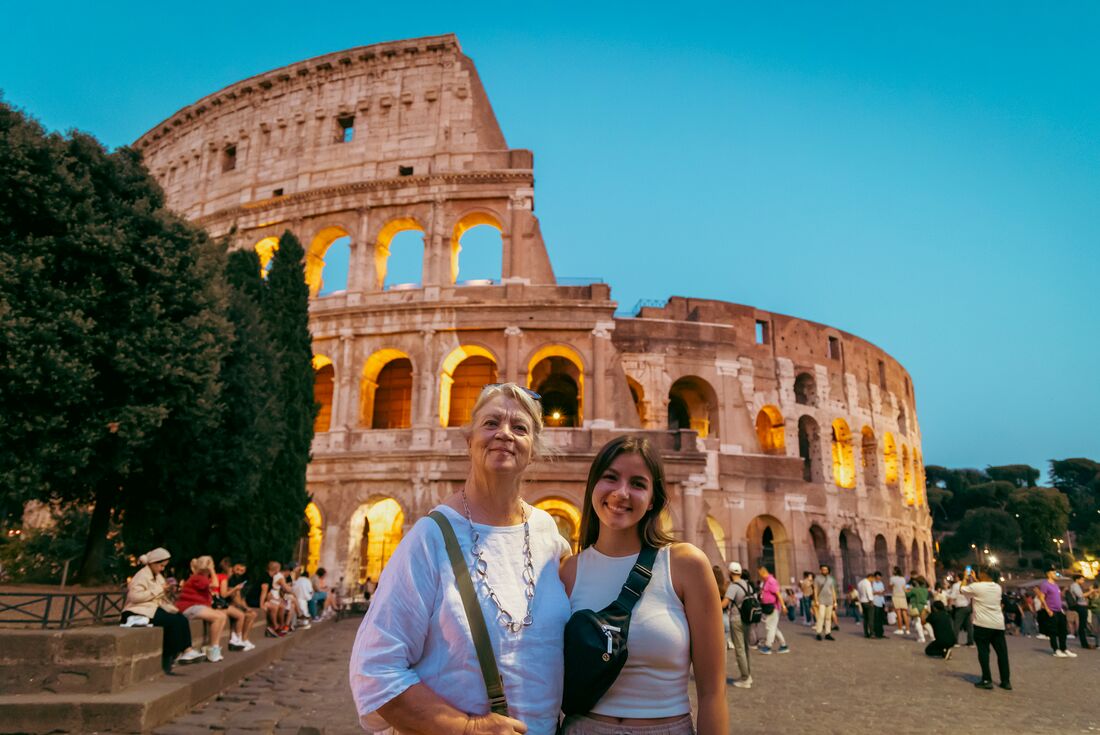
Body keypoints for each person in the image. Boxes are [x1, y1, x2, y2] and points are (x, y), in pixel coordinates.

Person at [349, 383, 571, 735]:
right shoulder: (430, 537)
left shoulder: (549, 535)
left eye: (519, 428)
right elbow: (375, 669)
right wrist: (468, 728)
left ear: (534, 450)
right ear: (469, 440)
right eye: (491, 423)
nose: (504, 434)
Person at [560, 435, 727, 734]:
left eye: (638, 483)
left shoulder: (686, 565)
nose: (621, 493)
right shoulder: (568, 571)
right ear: (593, 487)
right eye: (610, 477)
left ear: (653, 500)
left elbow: (713, 693)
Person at [122, 547, 204, 673]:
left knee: (180, 618)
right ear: (153, 563)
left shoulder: (157, 575)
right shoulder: (141, 576)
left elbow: (160, 592)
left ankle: (187, 650)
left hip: (151, 608)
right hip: (138, 610)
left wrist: (168, 590)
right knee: (172, 621)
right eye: (161, 565)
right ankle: (172, 655)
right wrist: (159, 590)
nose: (162, 569)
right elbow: (134, 597)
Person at [960, 569, 1010, 690]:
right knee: (1002, 653)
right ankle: (1006, 681)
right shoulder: (998, 587)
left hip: (982, 624)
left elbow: (962, 589)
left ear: (984, 575)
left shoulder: (977, 586)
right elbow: (982, 588)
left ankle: (987, 679)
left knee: (984, 652)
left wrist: (965, 578)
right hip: (998, 625)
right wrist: (976, 580)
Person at [176, 555, 229, 662]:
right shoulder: (198, 578)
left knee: (222, 616)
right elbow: (215, 584)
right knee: (217, 618)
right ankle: (213, 649)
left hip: (196, 606)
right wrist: (212, 570)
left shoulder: (202, 578)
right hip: (189, 607)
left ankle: (214, 647)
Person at [724, 562, 753, 689]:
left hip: (736, 620)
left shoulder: (733, 586)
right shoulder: (748, 585)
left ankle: (745, 678)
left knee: (739, 649)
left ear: (730, 573)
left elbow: (725, 603)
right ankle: (748, 674)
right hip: (748, 619)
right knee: (745, 648)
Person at [219, 559, 257, 651]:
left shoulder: (236, 579)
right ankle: (237, 638)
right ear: (232, 568)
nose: (239, 573)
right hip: (227, 604)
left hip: (233, 604)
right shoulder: (229, 579)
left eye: (242, 571)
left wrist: (246, 607)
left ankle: (244, 639)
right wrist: (244, 608)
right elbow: (233, 597)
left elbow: (241, 597)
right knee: (244, 614)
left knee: (253, 614)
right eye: (237, 570)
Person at [1037, 568, 1074, 658]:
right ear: (1048, 574)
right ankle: (1056, 650)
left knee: (1063, 630)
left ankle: (1064, 648)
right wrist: (1048, 610)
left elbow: (1058, 598)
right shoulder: (1045, 584)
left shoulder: (1056, 585)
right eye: (1054, 573)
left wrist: (1061, 609)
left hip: (1059, 610)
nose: (1056, 574)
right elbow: (1041, 597)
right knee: (1053, 631)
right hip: (1051, 611)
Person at [757, 565, 789, 654]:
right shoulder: (766, 581)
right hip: (768, 607)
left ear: (762, 572)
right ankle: (783, 645)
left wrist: (783, 606)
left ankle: (768, 646)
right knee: (773, 627)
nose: (759, 575)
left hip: (773, 607)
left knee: (770, 627)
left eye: (759, 573)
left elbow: (778, 594)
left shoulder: (771, 581)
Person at [813, 563, 838, 642]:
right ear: (820, 570)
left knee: (828, 618)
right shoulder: (817, 579)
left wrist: (835, 601)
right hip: (821, 600)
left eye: (826, 569)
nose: (825, 571)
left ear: (828, 570)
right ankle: (819, 633)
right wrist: (816, 600)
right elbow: (815, 590)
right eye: (823, 569)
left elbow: (833, 590)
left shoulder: (831, 579)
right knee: (821, 616)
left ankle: (828, 633)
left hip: (830, 600)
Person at [948, 573, 974, 646]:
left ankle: (955, 641)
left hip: (960, 607)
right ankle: (971, 642)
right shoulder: (968, 585)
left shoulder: (956, 585)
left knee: (956, 625)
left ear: (958, 577)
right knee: (969, 626)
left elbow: (953, 596)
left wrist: (949, 602)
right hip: (968, 606)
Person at [1068, 574, 1092, 650]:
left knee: (1082, 625)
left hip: (1081, 605)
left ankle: (1084, 643)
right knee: (1082, 625)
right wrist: (1091, 591)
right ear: (1077, 579)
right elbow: (1081, 595)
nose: (1083, 581)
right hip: (1080, 606)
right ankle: (1084, 643)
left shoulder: (1076, 586)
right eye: (1082, 579)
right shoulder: (1075, 586)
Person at [712, 565, 733, 649]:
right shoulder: (726, 586)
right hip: (725, 616)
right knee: (723, 647)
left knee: (715, 647)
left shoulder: (710, 586)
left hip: (714, 617)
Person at [907, 576, 930, 643]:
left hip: (916, 607)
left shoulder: (915, 590)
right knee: (925, 622)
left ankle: (921, 637)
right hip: (924, 607)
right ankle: (932, 636)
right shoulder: (925, 590)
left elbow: (907, 594)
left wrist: (907, 588)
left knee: (917, 622)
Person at [889, 567, 909, 635]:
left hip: (896, 596)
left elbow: (890, 586)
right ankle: (907, 629)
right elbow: (904, 588)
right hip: (903, 596)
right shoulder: (903, 578)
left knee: (898, 613)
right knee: (904, 613)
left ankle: (900, 629)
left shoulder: (892, 578)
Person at [857, 572, 875, 638]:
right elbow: (869, 592)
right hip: (868, 602)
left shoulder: (860, 583)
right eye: (873, 579)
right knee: (871, 618)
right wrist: (871, 600)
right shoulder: (867, 583)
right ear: (870, 577)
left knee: (865, 619)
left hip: (862, 601)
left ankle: (866, 633)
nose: (873, 581)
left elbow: (858, 593)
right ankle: (872, 633)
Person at [871, 572, 887, 639]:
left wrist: (882, 592)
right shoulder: (872, 583)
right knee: (876, 618)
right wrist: (878, 592)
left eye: (879, 578)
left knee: (881, 619)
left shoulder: (881, 583)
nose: (878, 579)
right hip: (875, 602)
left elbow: (883, 591)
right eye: (877, 578)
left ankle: (881, 633)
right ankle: (875, 633)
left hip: (881, 602)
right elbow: (871, 592)